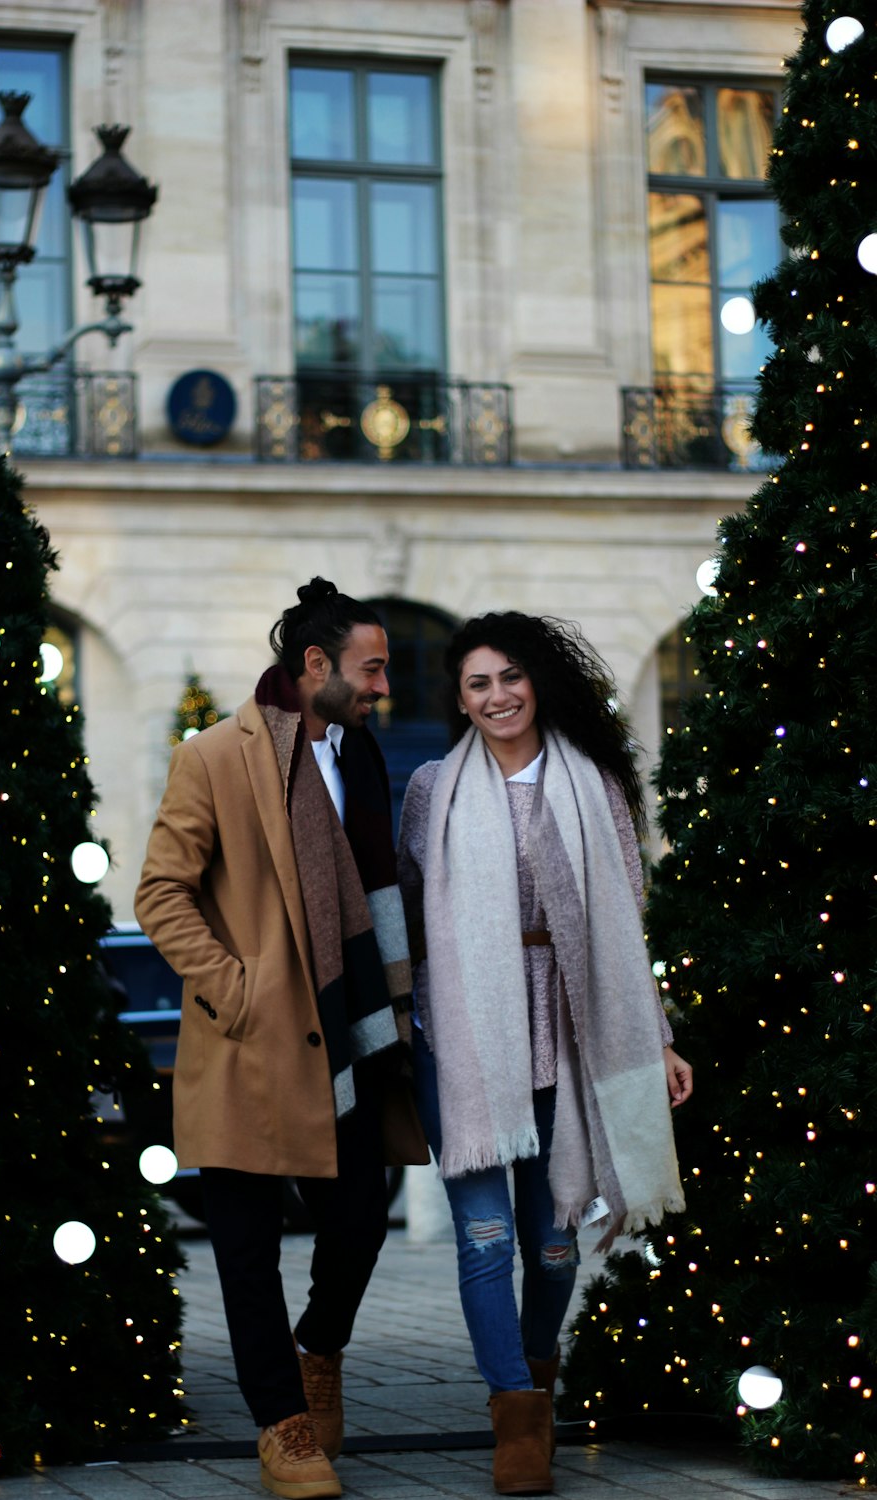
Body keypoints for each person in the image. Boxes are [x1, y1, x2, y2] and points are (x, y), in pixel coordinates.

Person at [136, 579, 427, 1500]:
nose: (383, 685)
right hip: (250, 1046)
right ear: (315, 665)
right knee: (245, 1248)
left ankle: (320, 1351)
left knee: (356, 1226)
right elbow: (159, 893)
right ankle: (283, 1427)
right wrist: (237, 990)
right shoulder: (215, 757)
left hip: (345, 1042)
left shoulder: (364, 760)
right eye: (372, 667)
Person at [397, 612, 693, 1497]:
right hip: (465, 1040)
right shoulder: (430, 792)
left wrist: (662, 1035)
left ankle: (537, 1369)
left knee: (555, 1249)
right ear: (459, 699)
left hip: (566, 1032)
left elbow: (626, 923)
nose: (498, 696)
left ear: (538, 683)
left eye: (511, 677)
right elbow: (410, 922)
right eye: (478, 684)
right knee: (486, 1241)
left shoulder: (593, 784)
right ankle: (517, 1418)